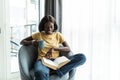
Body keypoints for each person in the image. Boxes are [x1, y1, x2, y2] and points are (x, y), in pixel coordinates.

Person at [20, 15, 86, 80]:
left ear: (54, 26)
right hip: (42, 61)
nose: (49, 29)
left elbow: (68, 49)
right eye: (47, 27)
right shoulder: (38, 34)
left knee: (82, 57)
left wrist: (54, 48)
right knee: (39, 72)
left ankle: (56, 71)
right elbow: (22, 41)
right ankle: (55, 72)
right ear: (43, 26)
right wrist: (32, 42)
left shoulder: (58, 35)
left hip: (56, 61)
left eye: (51, 26)